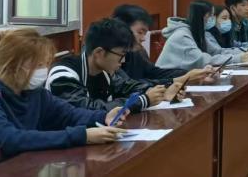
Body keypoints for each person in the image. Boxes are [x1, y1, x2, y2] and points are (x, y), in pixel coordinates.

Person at [0, 29, 129, 158]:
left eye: (45, 64)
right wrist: (82, 136)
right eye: (38, 65)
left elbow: (68, 114)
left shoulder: (32, 90)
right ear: (13, 65)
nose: (44, 70)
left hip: (22, 167)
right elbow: (7, 139)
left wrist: (103, 117)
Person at [48, 18, 178, 112]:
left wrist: (161, 91)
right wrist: (143, 100)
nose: (123, 61)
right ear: (99, 52)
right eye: (121, 55)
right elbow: (87, 109)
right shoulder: (63, 75)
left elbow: (128, 86)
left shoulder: (104, 71)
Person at [112, 4, 209, 86]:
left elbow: (154, 72)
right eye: (140, 32)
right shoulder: (111, 55)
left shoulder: (137, 51)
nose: (143, 38)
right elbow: (129, 86)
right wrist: (178, 80)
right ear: (122, 29)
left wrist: (189, 74)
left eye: (145, 33)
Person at [157, 0, 248, 72]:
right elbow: (202, 61)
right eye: (210, 16)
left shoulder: (199, 33)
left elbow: (216, 51)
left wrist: (246, 52)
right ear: (201, 17)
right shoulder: (182, 36)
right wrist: (238, 58)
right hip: (168, 80)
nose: (212, 19)